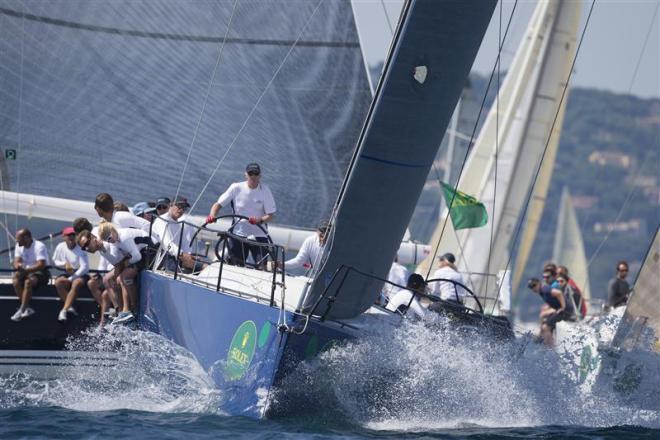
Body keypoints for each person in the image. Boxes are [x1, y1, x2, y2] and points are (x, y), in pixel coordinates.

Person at [206, 163, 276, 268]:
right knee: (235, 266)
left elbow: (270, 215)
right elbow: (218, 205)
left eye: (256, 173)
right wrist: (212, 215)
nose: (253, 176)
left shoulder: (265, 190)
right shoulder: (236, 187)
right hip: (238, 234)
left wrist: (259, 221)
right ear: (246, 174)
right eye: (250, 173)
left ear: (260, 176)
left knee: (262, 267)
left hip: (259, 235)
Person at [77, 224, 147, 325]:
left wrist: (105, 251)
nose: (87, 248)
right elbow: (117, 263)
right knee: (108, 280)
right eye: (84, 248)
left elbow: (119, 262)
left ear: (93, 237)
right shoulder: (101, 248)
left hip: (139, 253)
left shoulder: (106, 243)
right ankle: (120, 311)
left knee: (117, 279)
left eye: (87, 244)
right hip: (129, 258)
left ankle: (131, 311)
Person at [152, 196, 206, 273]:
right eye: (179, 206)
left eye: (184, 207)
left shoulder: (178, 225)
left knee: (206, 267)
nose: (181, 210)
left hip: (175, 257)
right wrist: (182, 255)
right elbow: (168, 244)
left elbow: (184, 245)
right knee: (199, 267)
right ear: (171, 205)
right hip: (161, 258)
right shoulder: (162, 220)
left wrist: (189, 256)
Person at [10, 229, 51, 321]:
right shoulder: (18, 246)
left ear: (26, 238)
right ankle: (27, 308)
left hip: (41, 272)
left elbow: (41, 264)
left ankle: (21, 310)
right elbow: (16, 261)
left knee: (28, 282)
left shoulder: (39, 246)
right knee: (15, 279)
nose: (16, 241)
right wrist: (18, 265)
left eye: (18, 239)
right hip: (26, 270)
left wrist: (27, 270)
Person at [52, 226, 89, 322]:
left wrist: (71, 278)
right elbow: (55, 261)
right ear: (64, 237)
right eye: (69, 235)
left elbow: (84, 267)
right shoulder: (60, 246)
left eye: (73, 235)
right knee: (58, 282)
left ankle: (64, 310)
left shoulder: (81, 248)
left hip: (80, 274)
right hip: (68, 273)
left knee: (76, 283)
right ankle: (70, 306)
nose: (71, 237)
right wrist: (65, 264)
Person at [527, 277, 573, 347]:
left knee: (546, 327)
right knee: (543, 316)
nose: (533, 288)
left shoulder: (545, 290)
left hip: (566, 311)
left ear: (539, 283)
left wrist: (563, 307)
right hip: (560, 310)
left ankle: (551, 347)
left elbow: (559, 293)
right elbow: (553, 300)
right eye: (531, 287)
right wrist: (548, 308)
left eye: (534, 285)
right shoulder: (541, 292)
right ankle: (543, 340)